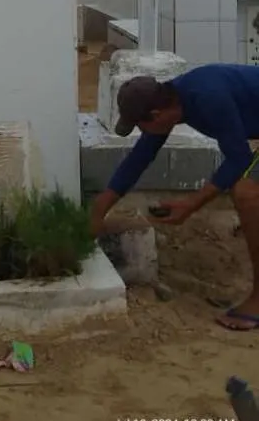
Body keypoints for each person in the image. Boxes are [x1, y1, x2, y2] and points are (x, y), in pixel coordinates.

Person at [89, 63, 259, 331]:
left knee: (247, 193)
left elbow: (239, 159)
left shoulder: (207, 97)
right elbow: (141, 156)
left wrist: (191, 205)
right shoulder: (174, 102)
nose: (143, 134)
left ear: (155, 115)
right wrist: (101, 206)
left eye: (141, 126)